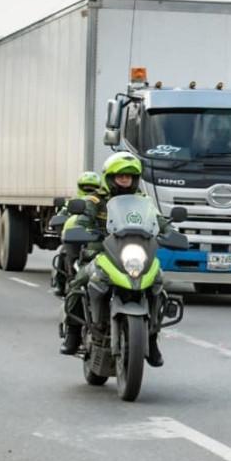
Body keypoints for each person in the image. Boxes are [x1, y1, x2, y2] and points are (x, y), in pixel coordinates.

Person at [59, 152, 164, 360]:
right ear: (109, 177)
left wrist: (171, 231)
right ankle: (72, 333)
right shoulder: (95, 200)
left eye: (129, 176)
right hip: (100, 253)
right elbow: (82, 221)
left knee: (158, 282)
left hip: (133, 254)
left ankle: (151, 338)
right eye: (120, 176)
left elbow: (159, 221)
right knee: (78, 282)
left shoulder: (144, 202)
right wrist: (81, 230)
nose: (125, 180)